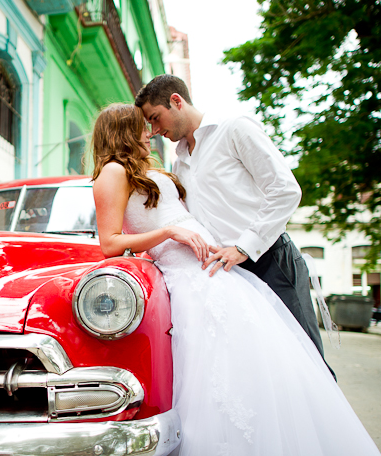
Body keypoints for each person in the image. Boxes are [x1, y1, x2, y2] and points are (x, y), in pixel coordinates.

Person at [91, 103, 381, 456]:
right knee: (222, 397)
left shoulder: (168, 162)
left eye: (154, 124)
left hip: (217, 277)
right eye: (142, 129)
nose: (151, 134)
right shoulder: (111, 174)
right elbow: (108, 243)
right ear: (121, 131)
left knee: (273, 381)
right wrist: (171, 236)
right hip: (188, 285)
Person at [135, 75, 334, 379]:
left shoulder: (235, 128)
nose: (155, 130)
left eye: (155, 118)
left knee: (307, 365)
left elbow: (285, 190)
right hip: (230, 276)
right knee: (265, 372)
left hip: (272, 262)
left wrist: (243, 247)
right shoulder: (181, 162)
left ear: (176, 101)